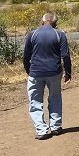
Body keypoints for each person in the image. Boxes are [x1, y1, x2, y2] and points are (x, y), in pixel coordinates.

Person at [22, 12, 72, 140]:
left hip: (36, 72)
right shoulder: (59, 34)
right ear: (55, 23)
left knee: (35, 101)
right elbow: (65, 55)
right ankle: (55, 126)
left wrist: (29, 71)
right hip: (54, 72)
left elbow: (26, 56)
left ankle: (41, 129)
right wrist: (68, 73)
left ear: (42, 21)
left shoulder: (32, 34)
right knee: (55, 97)